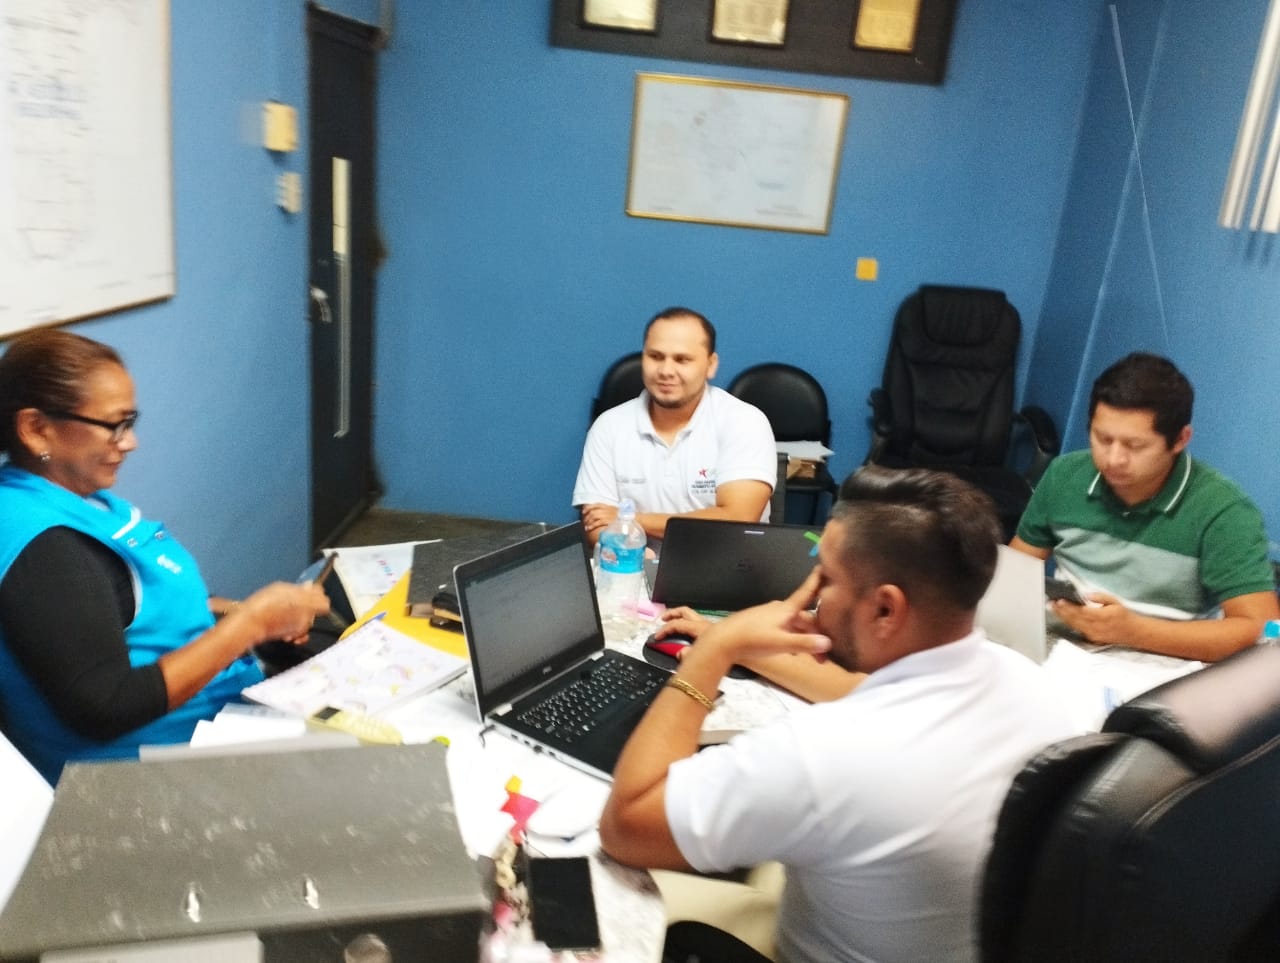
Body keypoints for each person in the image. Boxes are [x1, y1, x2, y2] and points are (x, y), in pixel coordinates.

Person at [599, 466, 1076, 963]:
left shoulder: (822, 753)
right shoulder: (1029, 682)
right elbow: (861, 690)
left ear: (885, 610)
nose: (808, 596)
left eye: (825, 578)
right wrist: (738, 639)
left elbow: (624, 828)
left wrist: (712, 653)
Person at [0, 329, 330, 785]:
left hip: (211, 717)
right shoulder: (46, 548)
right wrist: (250, 625)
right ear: (36, 429)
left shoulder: (78, 498)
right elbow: (106, 707)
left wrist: (246, 614)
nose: (129, 442)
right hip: (146, 774)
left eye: (130, 421)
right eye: (114, 425)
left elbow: (130, 608)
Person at [1011, 352, 1278, 662]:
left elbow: (1262, 630)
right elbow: (1014, 573)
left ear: (1180, 440)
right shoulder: (1065, 475)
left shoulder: (1224, 511)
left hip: (1160, 666)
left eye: (1135, 445)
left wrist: (1134, 632)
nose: (1114, 459)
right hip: (1059, 646)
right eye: (1102, 439)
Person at [573, 307, 776, 545]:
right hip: (633, 562)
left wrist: (631, 519)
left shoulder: (745, 422)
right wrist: (636, 555)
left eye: (682, 359)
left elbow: (737, 521)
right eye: (655, 357)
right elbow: (596, 525)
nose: (666, 371)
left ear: (711, 365)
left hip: (725, 565)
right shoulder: (609, 426)